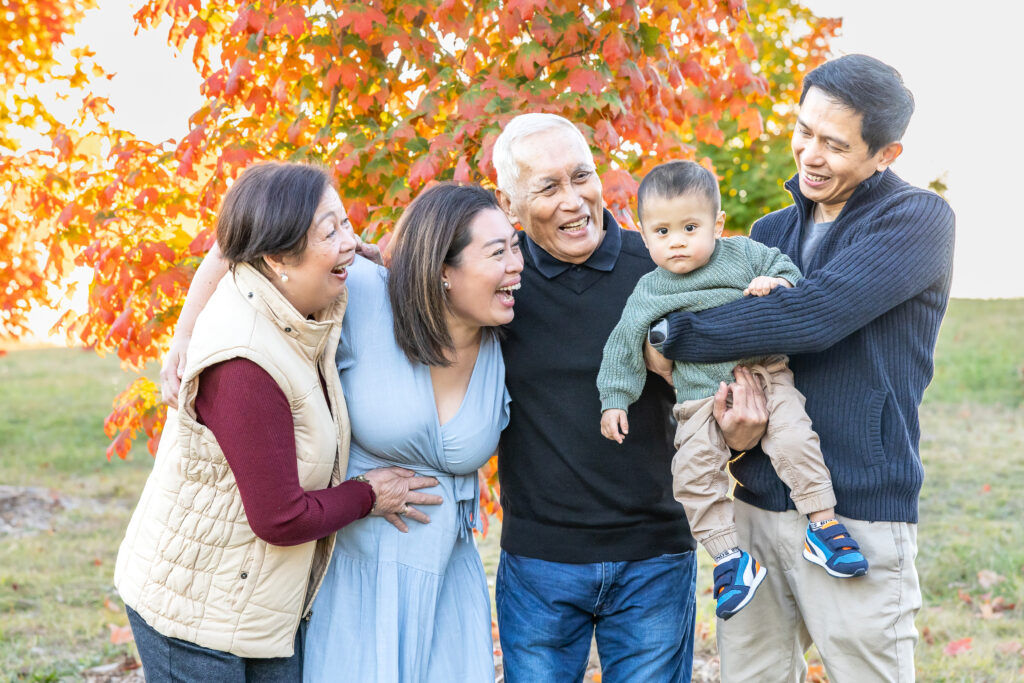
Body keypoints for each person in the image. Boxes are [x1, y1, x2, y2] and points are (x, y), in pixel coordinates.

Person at [649, 55, 955, 681]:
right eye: (804, 130)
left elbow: (814, 317)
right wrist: (734, 435)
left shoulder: (918, 221)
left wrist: (673, 335)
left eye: (835, 144)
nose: (809, 154)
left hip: (856, 515)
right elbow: (746, 353)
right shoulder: (771, 232)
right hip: (757, 509)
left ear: (885, 154)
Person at [161, 182, 523, 681]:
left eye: (516, 245)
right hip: (350, 571)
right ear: (443, 268)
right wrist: (183, 336)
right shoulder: (366, 294)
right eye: (497, 251)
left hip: (446, 581)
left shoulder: (510, 326)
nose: (516, 263)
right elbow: (239, 242)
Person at [115, 161, 442, 680]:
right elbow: (279, 518)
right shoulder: (245, 363)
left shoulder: (297, 297)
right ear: (276, 256)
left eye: (344, 224)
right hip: (196, 617)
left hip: (261, 602)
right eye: (328, 232)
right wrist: (370, 495)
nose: (348, 244)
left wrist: (378, 258)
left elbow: (227, 246)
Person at [490, 113, 767, 682]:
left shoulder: (668, 269)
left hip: (655, 557)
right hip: (540, 561)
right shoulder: (499, 281)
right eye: (547, 187)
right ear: (510, 204)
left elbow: (733, 389)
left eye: (581, 176)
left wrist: (739, 430)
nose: (573, 200)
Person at [598, 160, 869, 621]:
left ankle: (823, 525)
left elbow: (789, 274)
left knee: (794, 439)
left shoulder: (743, 255)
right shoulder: (649, 289)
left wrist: (777, 283)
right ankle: (729, 559)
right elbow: (622, 344)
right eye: (661, 232)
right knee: (691, 474)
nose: (677, 241)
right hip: (699, 401)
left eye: (689, 227)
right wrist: (614, 400)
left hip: (763, 375)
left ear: (717, 224)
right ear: (642, 237)